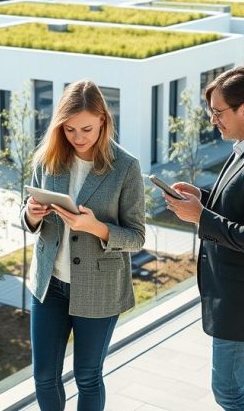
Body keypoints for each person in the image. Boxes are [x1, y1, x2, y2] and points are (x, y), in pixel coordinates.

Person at [164, 66, 244, 411]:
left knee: (228, 391)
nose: (212, 120)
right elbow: (240, 205)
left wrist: (201, 217)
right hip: (243, 298)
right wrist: (203, 198)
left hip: (242, 303)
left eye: (218, 112)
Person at [21, 79, 145, 411]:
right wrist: (31, 214)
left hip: (99, 288)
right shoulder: (48, 159)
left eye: (86, 128)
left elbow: (136, 237)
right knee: (44, 377)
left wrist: (96, 228)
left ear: (103, 120)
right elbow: (29, 219)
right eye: (70, 129)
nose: (78, 137)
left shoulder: (126, 168)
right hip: (50, 285)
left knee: (87, 376)